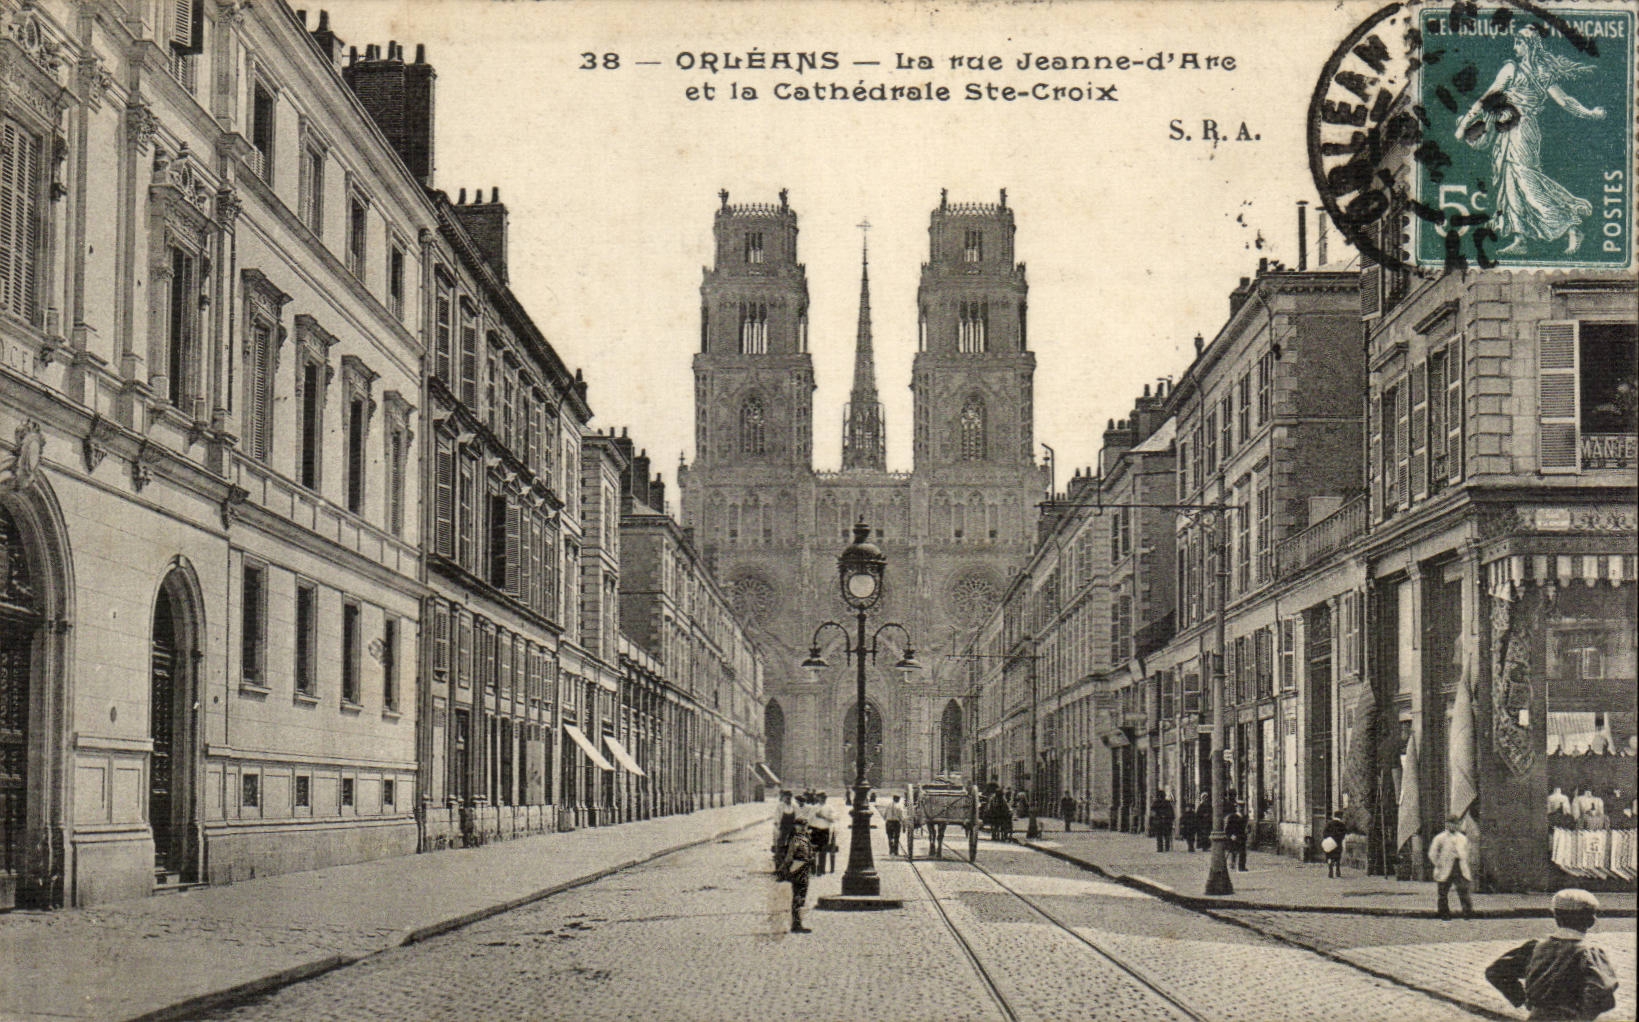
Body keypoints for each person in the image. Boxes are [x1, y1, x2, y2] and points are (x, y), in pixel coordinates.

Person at [1453, 24, 1606, 257]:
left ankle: (1570, 226)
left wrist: (1589, 113)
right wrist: (1590, 113)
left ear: (1529, 45)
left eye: (1519, 43)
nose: (1515, 48)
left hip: (1521, 129)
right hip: (1511, 128)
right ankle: (1520, 237)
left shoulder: (1518, 70)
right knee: (1511, 181)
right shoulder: (1534, 70)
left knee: (1525, 180)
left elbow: (1564, 101)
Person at [1485, 888, 1618, 1020]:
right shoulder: (1587, 953)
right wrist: (1583, 1015)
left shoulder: (1535, 948)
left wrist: (1522, 998)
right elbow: (1602, 989)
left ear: (1555, 916)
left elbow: (1496, 971)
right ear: (1591, 920)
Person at [1428, 815, 1475, 920]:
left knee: (1463, 890)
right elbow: (1432, 853)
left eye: (1455, 824)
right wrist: (1438, 863)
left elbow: (1468, 851)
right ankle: (1444, 913)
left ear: (1458, 825)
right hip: (1445, 868)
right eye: (1450, 823)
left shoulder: (1463, 838)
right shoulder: (1440, 838)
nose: (1452, 826)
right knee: (1443, 892)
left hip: (1459, 867)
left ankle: (1467, 913)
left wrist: (1464, 860)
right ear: (1446, 824)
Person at [776, 820, 815, 934]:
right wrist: (782, 869)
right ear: (795, 827)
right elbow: (789, 857)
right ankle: (796, 924)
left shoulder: (806, 838)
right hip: (798, 869)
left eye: (804, 826)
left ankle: (798, 923)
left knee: (802, 895)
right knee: (798, 896)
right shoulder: (795, 840)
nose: (803, 828)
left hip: (805, 869)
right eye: (800, 826)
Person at [808, 793, 832, 877]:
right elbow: (809, 819)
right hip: (816, 830)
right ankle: (813, 868)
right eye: (821, 798)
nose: (822, 799)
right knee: (814, 850)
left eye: (824, 798)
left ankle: (821, 869)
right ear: (818, 798)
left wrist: (823, 816)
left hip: (825, 830)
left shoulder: (829, 807)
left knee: (823, 850)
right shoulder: (814, 808)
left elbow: (834, 819)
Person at [772, 790, 796, 867]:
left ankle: (789, 865)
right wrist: (778, 825)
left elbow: (797, 816)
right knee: (780, 847)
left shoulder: (794, 806)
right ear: (783, 798)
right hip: (782, 828)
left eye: (789, 797)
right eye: (786, 797)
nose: (788, 799)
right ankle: (778, 866)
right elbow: (776, 817)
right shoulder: (780, 806)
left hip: (792, 828)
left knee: (791, 847)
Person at [1322, 811, 1348, 879]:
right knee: (1337, 857)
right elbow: (1344, 834)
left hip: (1329, 843)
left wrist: (1328, 838)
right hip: (1338, 844)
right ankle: (1337, 870)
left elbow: (1324, 833)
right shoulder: (1342, 825)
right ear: (1341, 817)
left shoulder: (1329, 824)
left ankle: (1330, 870)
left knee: (1330, 857)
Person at [1225, 801, 1249, 871]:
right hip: (1235, 837)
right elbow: (1227, 829)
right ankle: (1232, 864)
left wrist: (1248, 830)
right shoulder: (1232, 817)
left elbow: (1247, 827)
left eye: (1242, 807)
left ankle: (1242, 867)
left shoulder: (1245, 817)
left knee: (1243, 853)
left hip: (1242, 837)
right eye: (1239, 807)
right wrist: (1231, 835)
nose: (1241, 808)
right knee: (1233, 851)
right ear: (1236, 808)